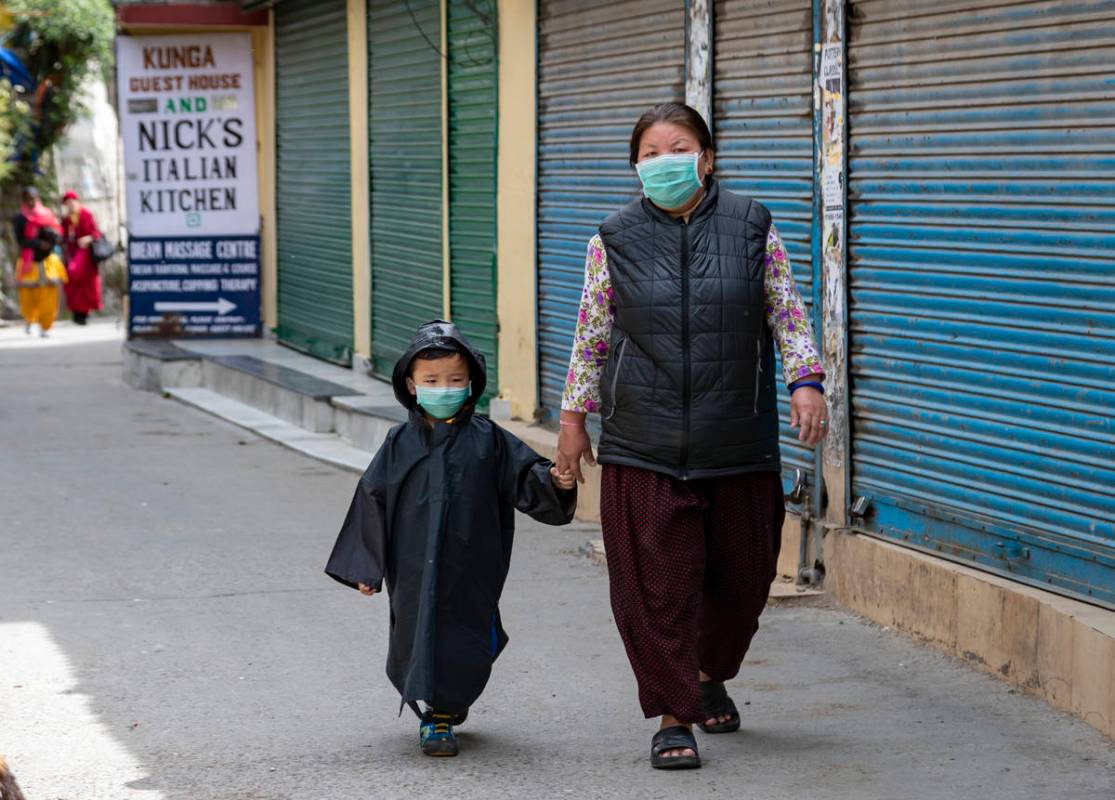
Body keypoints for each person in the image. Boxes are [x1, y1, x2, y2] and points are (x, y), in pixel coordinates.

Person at [555, 103, 828, 770]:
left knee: (741, 581)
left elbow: (786, 314)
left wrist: (806, 381)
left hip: (736, 438)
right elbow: (591, 336)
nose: (662, 160)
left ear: (705, 157)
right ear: (635, 167)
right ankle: (673, 714)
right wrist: (571, 420)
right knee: (655, 587)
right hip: (641, 442)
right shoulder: (611, 238)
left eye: (676, 147)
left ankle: (710, 671)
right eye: (648, 152)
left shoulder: (751, 226)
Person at [325, 320, 577, 758]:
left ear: (471, 383)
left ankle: (449, 702)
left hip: (472, 562)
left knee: (469, 635)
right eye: (432, 381)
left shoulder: (490, 440)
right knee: (418, 633)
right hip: (411, 563)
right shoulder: (399, 442)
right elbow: (373, 498)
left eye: (455, 380)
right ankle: (437, 716)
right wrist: (366, 566)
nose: (445, 388)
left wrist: (556, 481)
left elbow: (524, 477)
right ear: (411, 384)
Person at [12, 189, 66, 337]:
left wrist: (53, 240)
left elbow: (57, 232)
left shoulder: (47, 214)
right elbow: (20, 240)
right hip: (28, 261)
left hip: (47, 261)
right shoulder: (19, 218)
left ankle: (45, 326)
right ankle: (29, 320)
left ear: (38, 198)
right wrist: (37, 243)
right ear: (24, 200)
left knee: (48, 296)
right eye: (28, 199)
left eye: (34, 198)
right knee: (28, 297)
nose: (31, 202)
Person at [59, 190, 103, 325]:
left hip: (86, 255)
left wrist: (87, 239)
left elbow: (96, 233)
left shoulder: (86, 215)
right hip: (72, 254)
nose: (71, 205)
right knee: (72, 281)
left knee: (87, 283)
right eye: (68, 203)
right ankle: (77, 312)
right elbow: (63, 236)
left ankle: (85, 311)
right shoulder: (66, 219)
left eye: (72, 202)